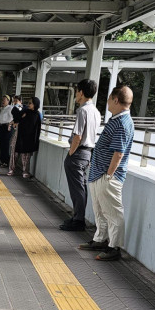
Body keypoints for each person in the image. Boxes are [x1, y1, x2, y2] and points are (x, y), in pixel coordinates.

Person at [79, 85, 134, 261]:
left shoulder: (123, 123)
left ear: (116, 100)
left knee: (113, 212)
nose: (108, 102)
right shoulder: (116, 119)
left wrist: (109, 176)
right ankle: (100, 239)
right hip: (99, 174)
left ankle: (114, 247)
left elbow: (119, 153)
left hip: (107, 176)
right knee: (100, 209)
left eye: (110, 99)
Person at [59, 79, 101, 231]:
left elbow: (77, 136)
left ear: (81, 92)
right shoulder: (96, 111)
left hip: (78, 153)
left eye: (77, 91)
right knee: (81, 187)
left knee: (77, 188)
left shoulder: (83, 111)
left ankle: (78, 221)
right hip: (88, 153)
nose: (76, 94)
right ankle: (78, 217)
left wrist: (71, 153)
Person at [11, 97, 42, 178]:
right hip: (20, 136)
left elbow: (37, 128)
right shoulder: (25, 110)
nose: (28, 104)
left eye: (30, 103)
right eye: (28, 103)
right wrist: (21, 110)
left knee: (26, 156)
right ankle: (11, 169)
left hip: (29, 138)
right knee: (14, 153)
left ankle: (25, 172)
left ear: (35, 104)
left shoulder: (37, 114)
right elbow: (14, 111)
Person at [0, 95, 13, 167]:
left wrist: (10, 124)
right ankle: (3, 161)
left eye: (4, 100)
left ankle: (6, 162)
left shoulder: (10, 108)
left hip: (7, 127)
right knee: (2, 144)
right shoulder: (3, 109)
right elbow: (0, 120)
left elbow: (14, 118)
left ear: (8, 101)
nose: (2, 101)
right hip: (2, 127)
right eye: (2, 99)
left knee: (5, 145)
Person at [7, 95, 22, 174]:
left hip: (20, 135)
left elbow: (17, 119)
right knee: (14, 152)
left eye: (16, 101)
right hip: (19, 134)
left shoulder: (19, 109)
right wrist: (11, 124)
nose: (14, 103)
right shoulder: (20, 109)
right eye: (14, 101)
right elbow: (15, 120)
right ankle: (12, 169)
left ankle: (12, 169)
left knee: (15, 152)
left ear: (20, 101)